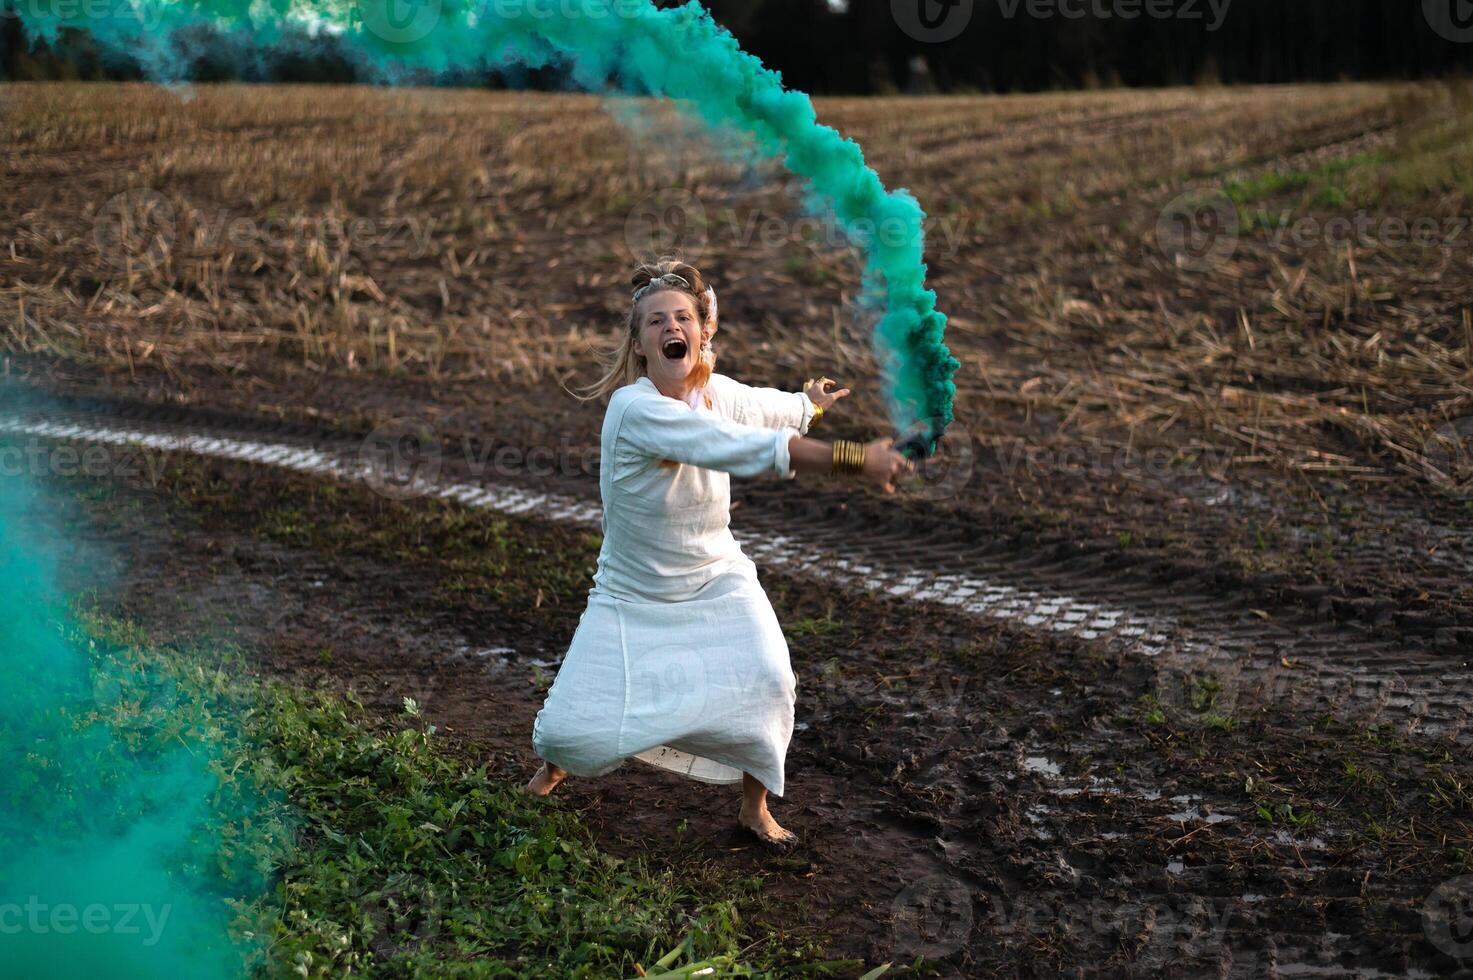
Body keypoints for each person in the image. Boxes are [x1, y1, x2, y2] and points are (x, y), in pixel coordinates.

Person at [522, 258, 913, 849]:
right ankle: (550, 772)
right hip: (634, 593)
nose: (669, 326)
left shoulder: (712, 392)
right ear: (639, 345)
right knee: (571, 735)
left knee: (771, 677)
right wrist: (855, 459)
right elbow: (734, 445)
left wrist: (807, 405)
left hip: (716, 575)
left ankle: (754, 809)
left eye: (682, 316)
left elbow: (758, 410)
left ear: (702, 333)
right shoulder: (635, 409)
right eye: (655, 321)